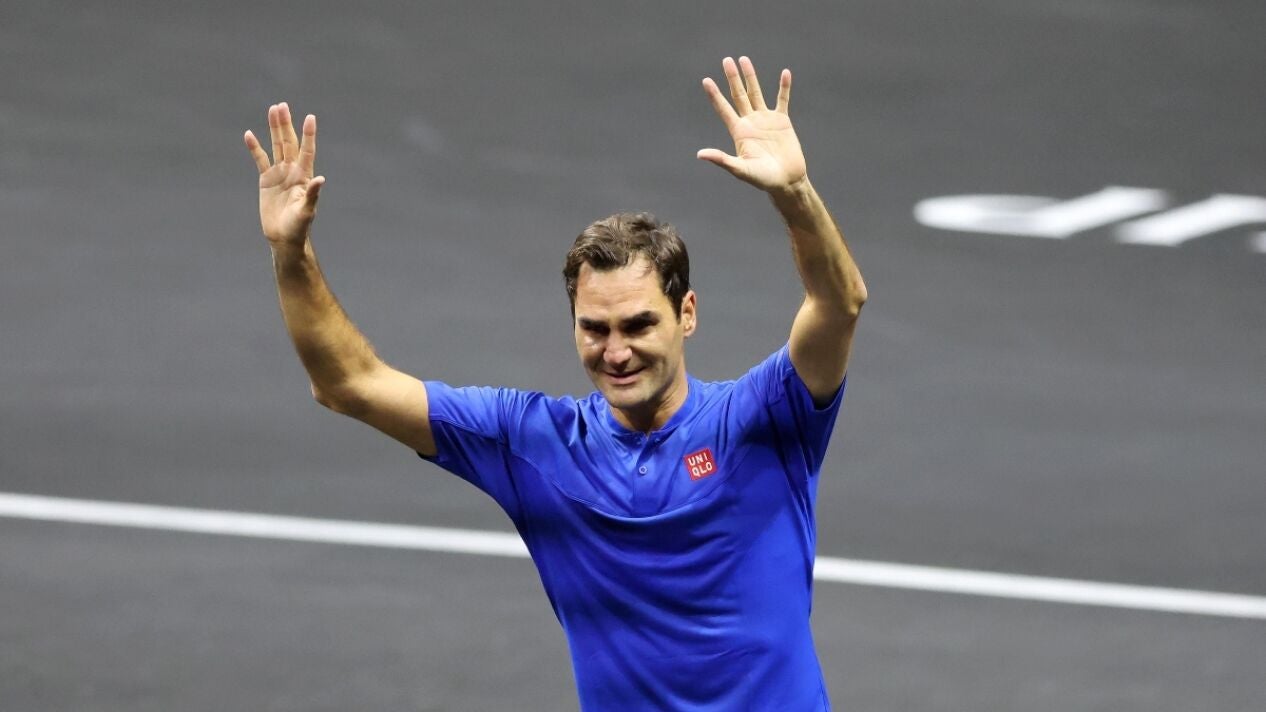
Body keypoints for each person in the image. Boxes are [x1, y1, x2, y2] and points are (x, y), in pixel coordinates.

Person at [244, 56, 866, 711]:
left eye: (638, 325)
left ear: (687, 315)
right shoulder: (532, 443)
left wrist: (794, 193)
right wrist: (291, 253)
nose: (616, 352)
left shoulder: (763, 418)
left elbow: (840, 302)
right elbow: (348, 384)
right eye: (595, 328)